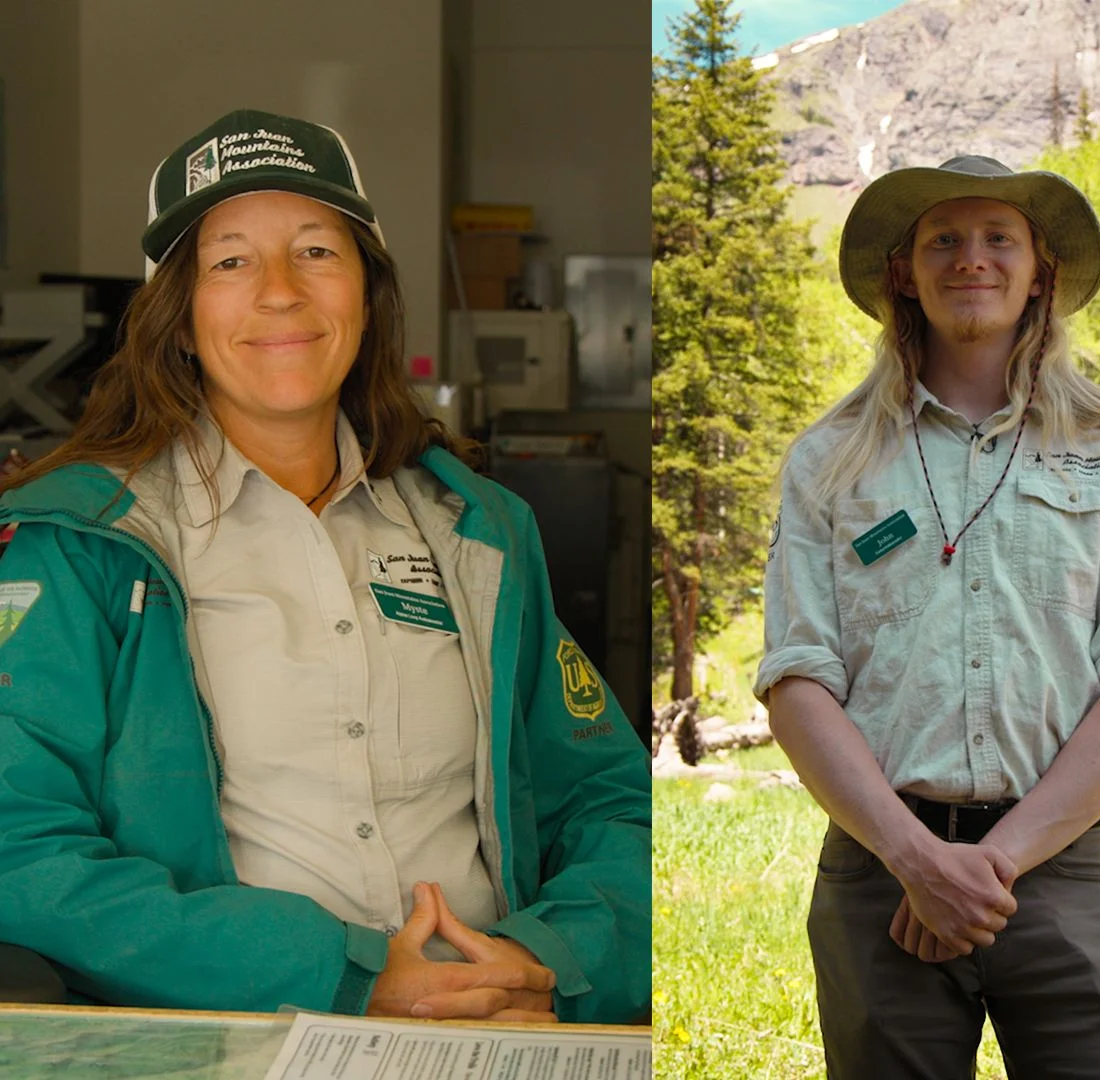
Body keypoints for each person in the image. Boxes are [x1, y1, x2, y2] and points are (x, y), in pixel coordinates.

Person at [0, 108, 649, 1024]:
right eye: (228, 260)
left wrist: (544, 960)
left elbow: (610, 797)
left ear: (365, 295)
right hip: (236, 1036)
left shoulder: (480, 532)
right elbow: (20, 844)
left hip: (502, 1028)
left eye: (316, 251)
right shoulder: (78, 543)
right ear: (178, 320)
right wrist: (343, 974)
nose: (279, 292)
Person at [755, 154, 1100, 1078]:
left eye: (1001, 238)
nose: (972, 259)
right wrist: (915, 858)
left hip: (1063, 868)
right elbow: (797, 681)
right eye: (942, 240)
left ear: (1042, 272)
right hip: (880, 870)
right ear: (901, 274)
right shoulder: (829, 459)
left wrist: (988, 865)